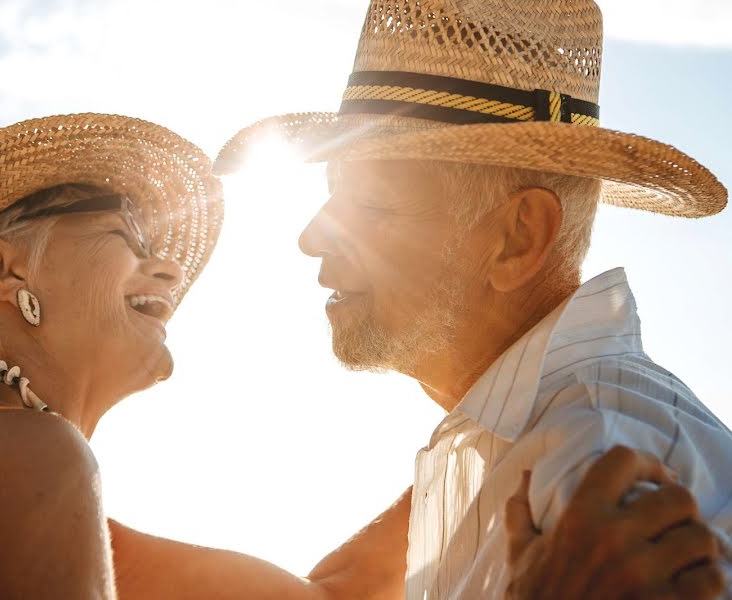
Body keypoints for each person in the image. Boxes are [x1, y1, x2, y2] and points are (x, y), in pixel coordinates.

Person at [0, 119, 717, 598]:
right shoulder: (22, 461)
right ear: (2, 268)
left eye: (372, 208)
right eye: (125, 235)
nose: (171, 265)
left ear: (520, 236)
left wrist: (485, 422)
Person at [215, 0, 732, 598]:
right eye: (333, 194)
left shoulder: (594, 462)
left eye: (372, 204)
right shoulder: (520, 439)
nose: (310, 237)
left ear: (517, 238)